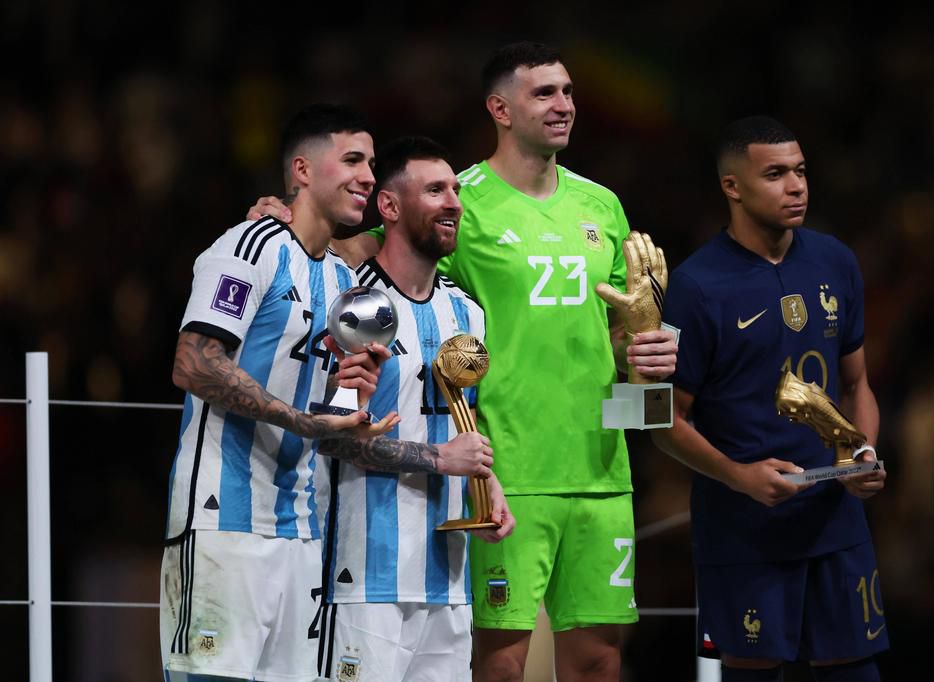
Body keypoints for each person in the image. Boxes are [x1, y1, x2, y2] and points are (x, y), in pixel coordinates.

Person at [248, 42, 678, 682]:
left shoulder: (602, 206)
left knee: (602, 658)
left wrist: (647, 345)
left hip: (600, 467)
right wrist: (293, 218)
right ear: (499, 109)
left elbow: (616, 331)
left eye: (567, 91)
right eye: (544, 94)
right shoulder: (461, 200)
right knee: (497, 662)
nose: (564, 105)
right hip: (505, 465)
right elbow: (377, 246)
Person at [160, 104, 495, 682]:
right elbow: (193, 363)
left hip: (304, 530)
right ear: (302, 171)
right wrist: (305, 422)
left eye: (371, 162)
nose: (367, 174)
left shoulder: (346, 284)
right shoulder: (252, 245)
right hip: (224, 519)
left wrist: (351, 412)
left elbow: (342, 402)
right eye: (352, 160)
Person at [653, 116, 888, 682]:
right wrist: (738, 476)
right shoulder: (695, 285)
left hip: (835, 521)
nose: (797, 186)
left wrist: (862, 453)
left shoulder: (835, 260)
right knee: (753, 671)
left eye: (801, 171)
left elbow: (856, 386)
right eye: (776, 174)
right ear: (732, 187)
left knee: (856, 670)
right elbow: (660, 419)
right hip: (745, 527)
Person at [315, 135, 516, 682]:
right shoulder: (351, 302)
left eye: (455, 189)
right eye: (434, 190)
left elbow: (459, 425)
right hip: (362, 578)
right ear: (390, 206)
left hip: (447, 583)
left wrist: (485, 484)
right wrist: (440, 459)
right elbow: (328, 437)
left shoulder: (466, 313)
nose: (453, 201)